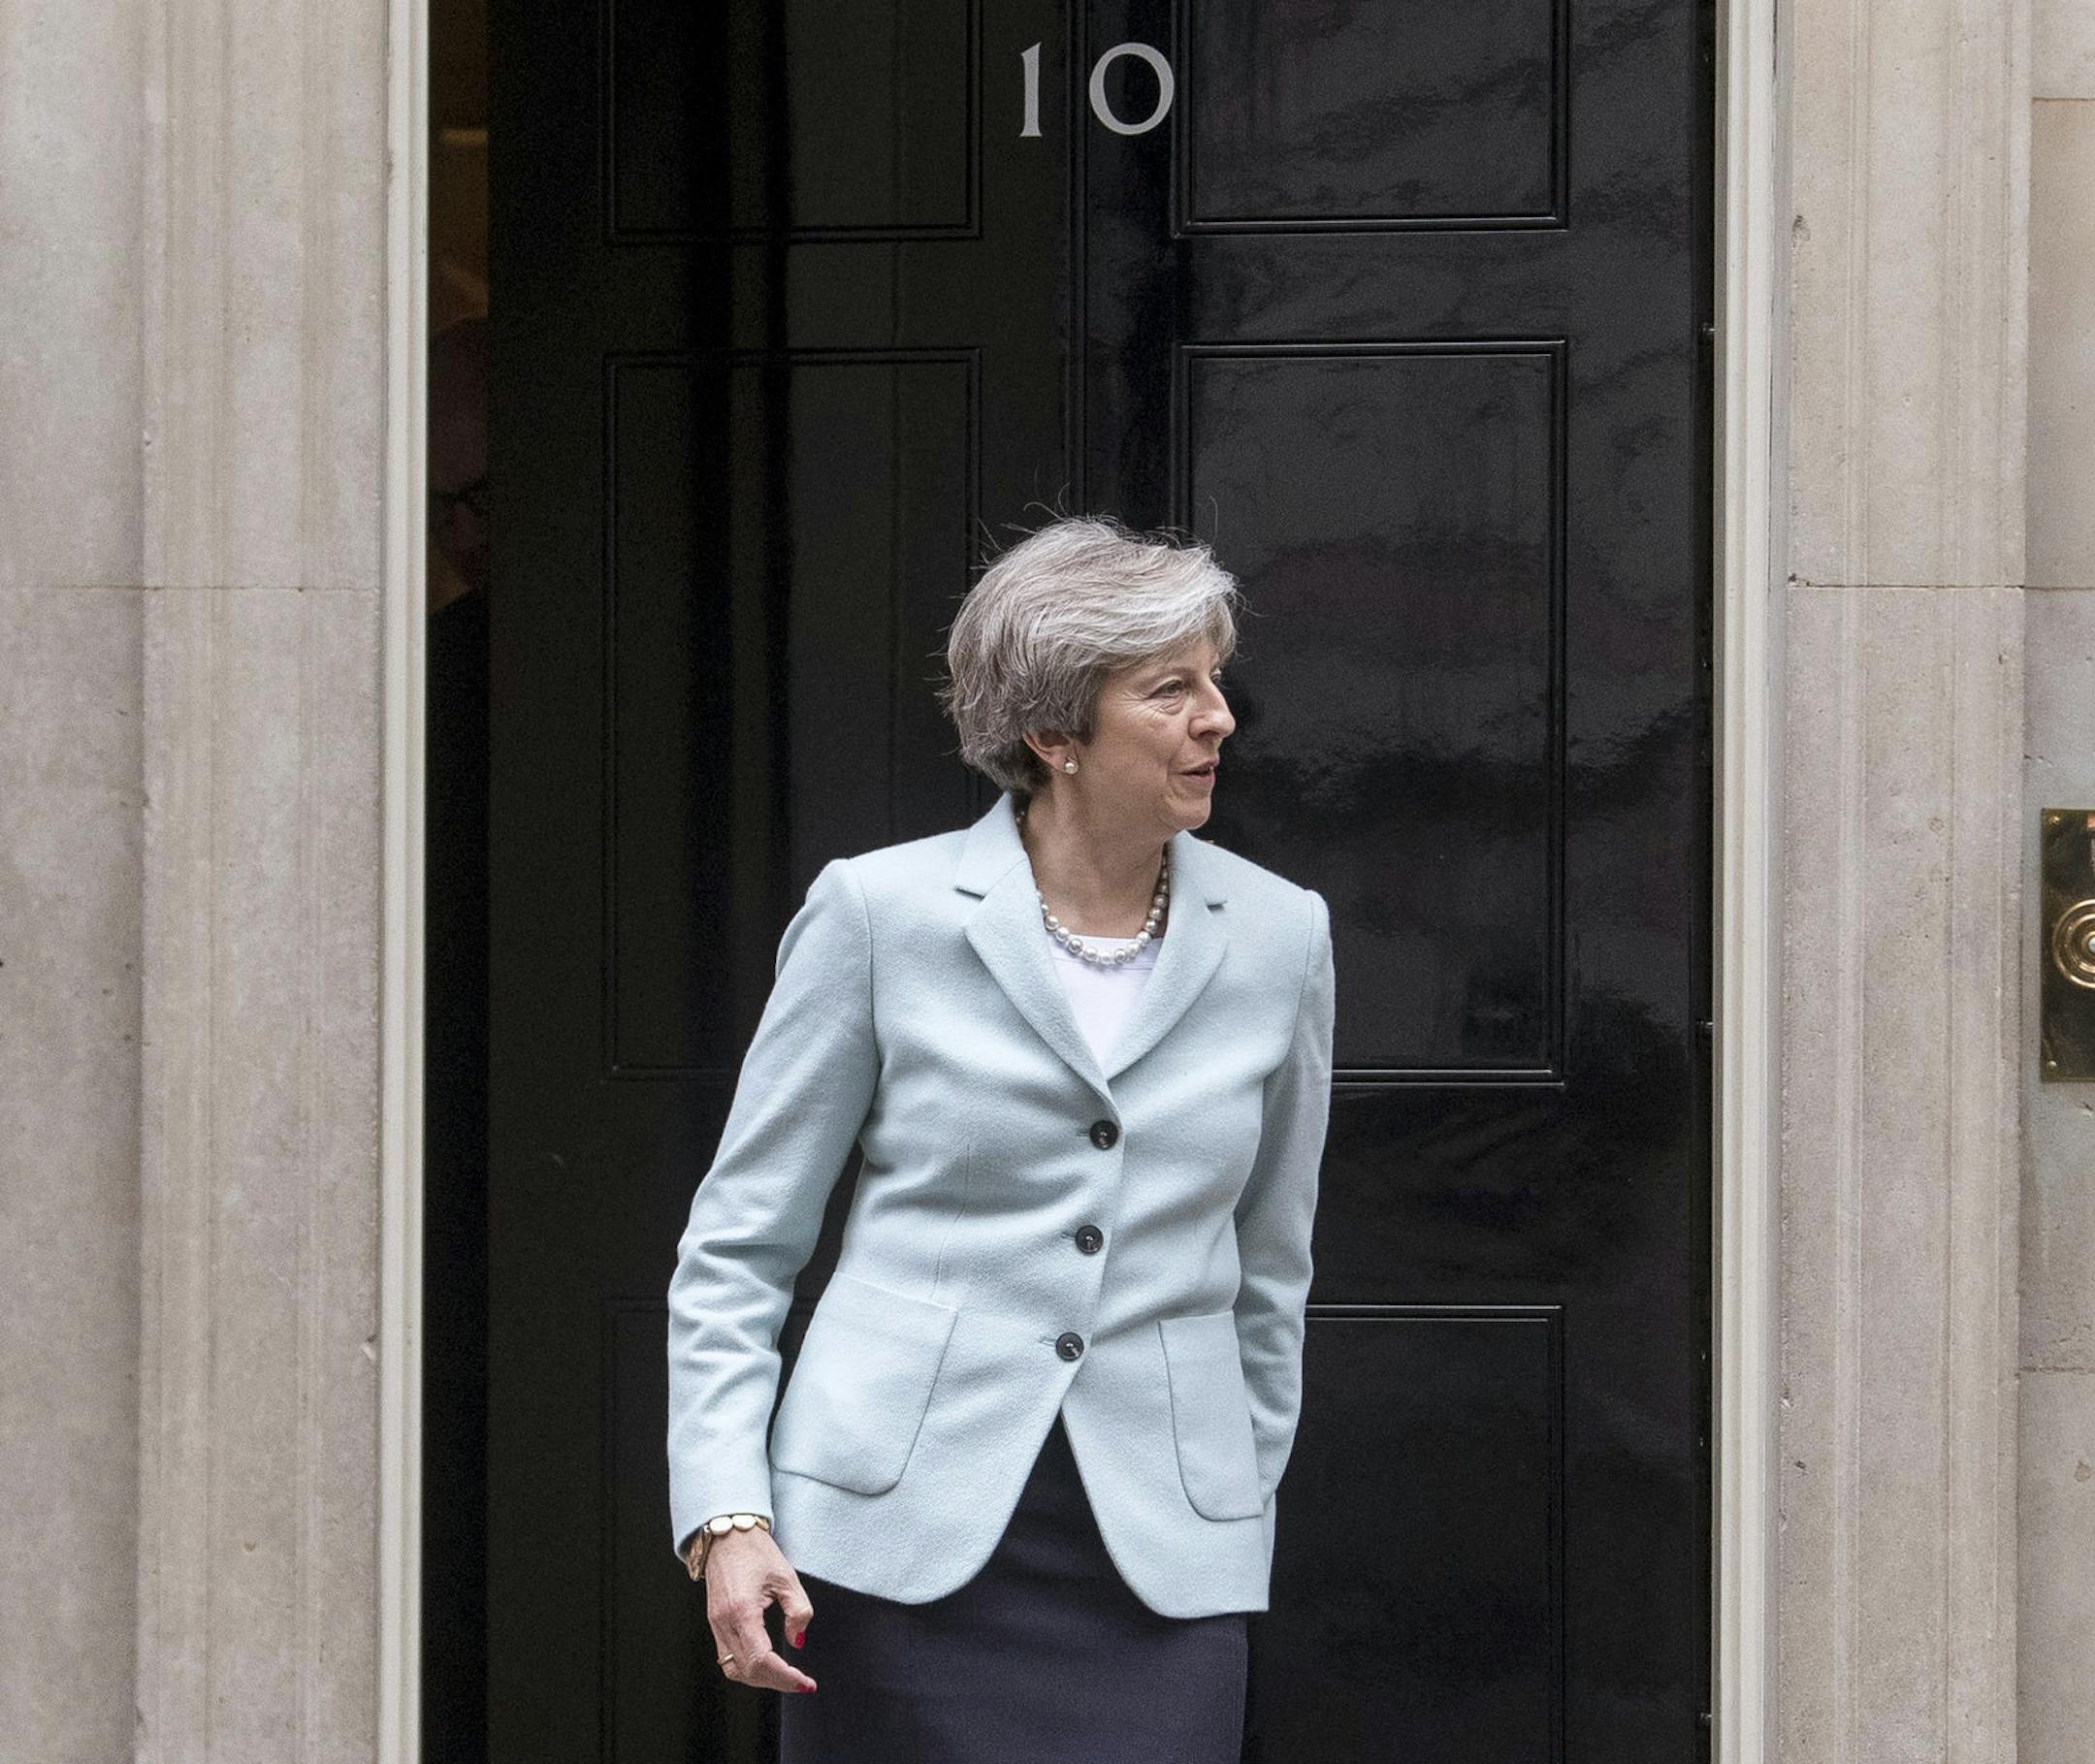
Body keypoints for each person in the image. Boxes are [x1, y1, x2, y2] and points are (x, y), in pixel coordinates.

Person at [666, 513, 1337, 1762]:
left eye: (1217, 680)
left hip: (1161, 1560)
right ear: (1052, 732)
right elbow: (738, 1248)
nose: (1219, 718)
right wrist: (728, 1514)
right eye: (1171, 689)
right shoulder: (880, 914)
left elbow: (1272, 1262)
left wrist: (1232, 1491)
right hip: (887, 1544)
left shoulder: (1282, 936)